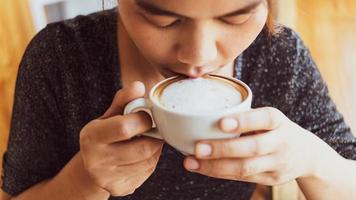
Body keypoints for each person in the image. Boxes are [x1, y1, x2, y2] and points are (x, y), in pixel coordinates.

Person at [1, 0, 356, 199]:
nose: (197, 56)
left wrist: (313, 161)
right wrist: (85, 179)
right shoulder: (59, 58)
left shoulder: (280, 57)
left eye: (236, 17)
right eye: (163, 20)